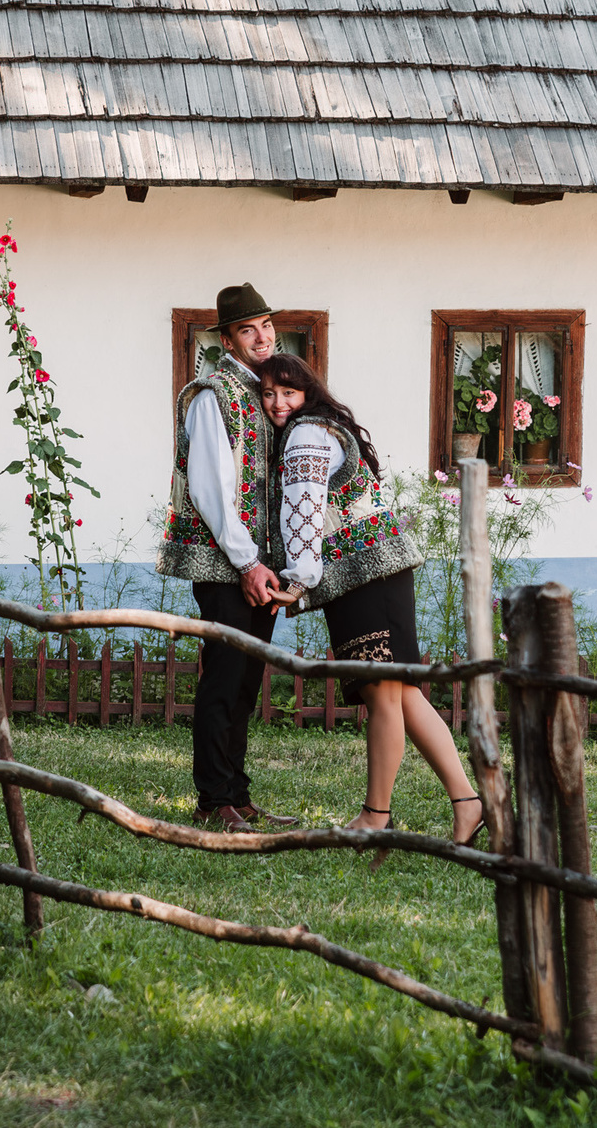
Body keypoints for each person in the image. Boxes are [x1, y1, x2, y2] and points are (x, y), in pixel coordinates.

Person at [256, 353, 485, 846]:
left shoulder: (306, 435)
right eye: (269, 393)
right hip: (383, 570)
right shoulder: (327, 426)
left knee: (382, 694)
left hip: (363, 576)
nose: (278, 403)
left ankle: (375, 815)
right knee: (403, 692)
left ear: (307, 392)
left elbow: (305, 509)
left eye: (288, 393)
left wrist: (298, 578)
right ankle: (469, 802)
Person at [156, 281, 300, 833]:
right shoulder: (213, 394)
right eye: (248, 330)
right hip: (226, 565)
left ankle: (236, 792)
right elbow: (211, 489)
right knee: (223, 677)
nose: (262, 337)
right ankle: (213, 798)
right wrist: (246, 562)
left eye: (266, 326)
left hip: (258, 564)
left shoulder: (267, 391)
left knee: (246, 680)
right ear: (228, 339)